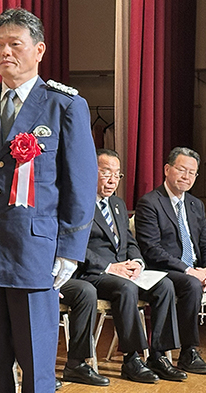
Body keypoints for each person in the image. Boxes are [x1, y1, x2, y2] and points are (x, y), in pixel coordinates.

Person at [0, 7, 98, 393]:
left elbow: (81, 184)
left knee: (36, 366)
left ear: (39, 50)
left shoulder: (64, 105)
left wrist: (70, 250)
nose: (5, 52)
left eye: (15, 44)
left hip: (34, 255)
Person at [77, 148, 185, 383]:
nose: (112, 180)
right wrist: (110, 267)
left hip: (123, 271)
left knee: (164, 285)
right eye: (106, 172)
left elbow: (129, 241)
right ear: (90, 171)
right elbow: (75, 246)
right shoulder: (79, 203)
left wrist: (137, 262)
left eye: (117, 174)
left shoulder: (117, 203)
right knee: (125, 288)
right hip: (93, 273)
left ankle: (158, 356)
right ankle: (132, 359)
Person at [136, 146, 206, 374]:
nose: (186, 176)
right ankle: (188, 352)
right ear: (167, 169)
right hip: (163, 270)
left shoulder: (196, 205)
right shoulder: (150, 203)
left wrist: (205, 270)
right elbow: (151, 249)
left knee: (194, 280)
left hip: (193, 270)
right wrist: (188, 270)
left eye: (192, 173)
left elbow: (203, 244)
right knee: (191, 284)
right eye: (182, 170)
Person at [59, 279, 110, 386]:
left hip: (59, 277)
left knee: (86, 291)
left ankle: (76, 365)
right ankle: (39, 371)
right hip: (34, 277)